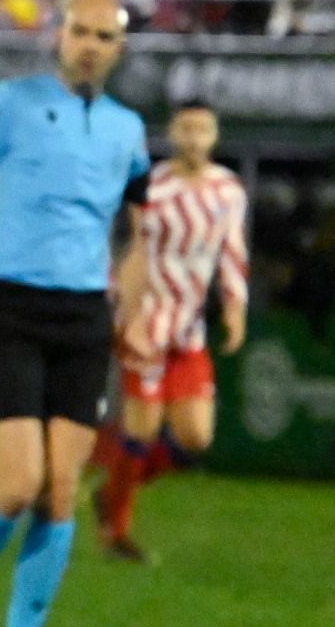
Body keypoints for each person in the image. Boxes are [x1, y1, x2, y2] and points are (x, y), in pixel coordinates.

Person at [0, 0, 148, 627]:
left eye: (104, 37)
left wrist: (134, 306)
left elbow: (142, 229)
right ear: (59, 35)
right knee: (18, 484)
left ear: (118, 50)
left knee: (61, 492)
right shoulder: (13, 102)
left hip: (85, 317)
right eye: (80, 31)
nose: (89, 45)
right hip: (11, 307)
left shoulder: (127, 128)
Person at [92, 100, 247, 561]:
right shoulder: (151, 185)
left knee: (195, 439)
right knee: (141, 431)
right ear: (173, 133)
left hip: (189, 332)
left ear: (214, 135)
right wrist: (123, 308)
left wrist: (235, 308)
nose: (195, 138)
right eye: (186, 128)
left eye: (203, 129)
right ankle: (116, 531)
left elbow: (233, 251)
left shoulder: (228, 190)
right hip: (144, 325)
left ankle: (111, 492)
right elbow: (130, 246)